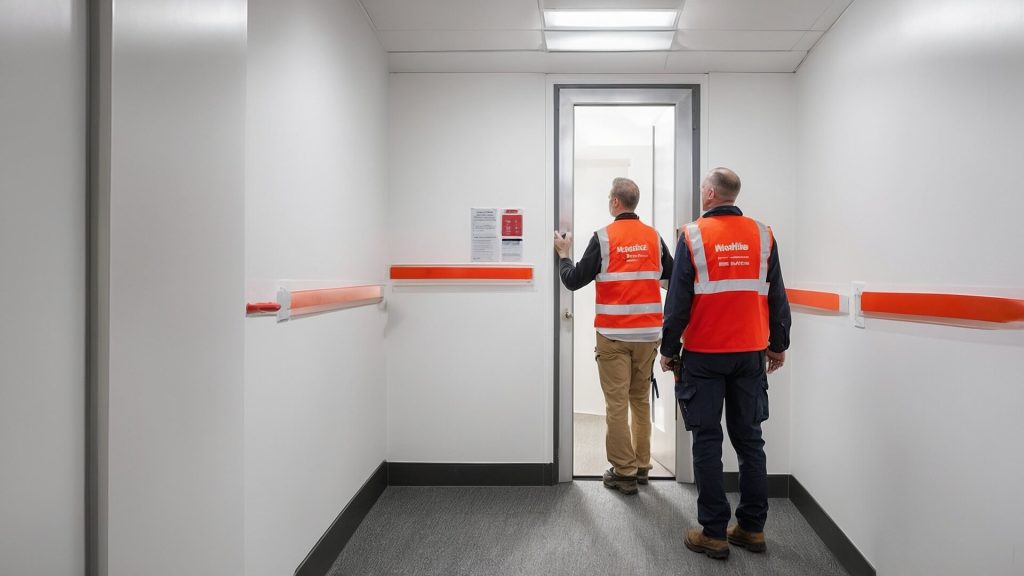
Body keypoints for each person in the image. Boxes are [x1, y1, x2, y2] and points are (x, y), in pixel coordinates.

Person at [659, 167, 791, 560]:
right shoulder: (763, 235)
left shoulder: (693, 234)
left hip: (704, 354)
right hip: (750, 353)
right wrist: (778, 344)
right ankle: (752, 528)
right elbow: (777, 295)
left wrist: (669, 350)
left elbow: (678, 301)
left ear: (710, 194)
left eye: (703, 189)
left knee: (707, 441)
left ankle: (714, 533)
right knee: (750, 440)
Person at [554, 177, 673, 496]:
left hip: (614, 335)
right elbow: (672, 280)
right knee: (639, 401)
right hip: (648, 336)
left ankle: (624, 472)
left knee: (617, 404)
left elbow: (574, 280)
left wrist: (564, 255)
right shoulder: (653, 238)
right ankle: (643, 465)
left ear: (616, 202)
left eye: (610, 197)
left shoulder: (603, 238)